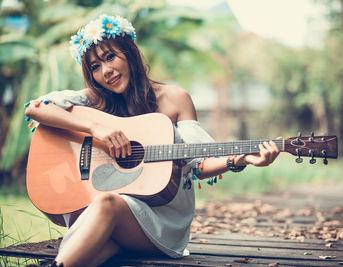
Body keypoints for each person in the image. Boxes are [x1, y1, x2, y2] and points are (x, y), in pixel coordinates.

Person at [24, 14, 280, 267]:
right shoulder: (95, 100)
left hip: (162, 220)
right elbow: (35, 109)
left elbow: (198, 164)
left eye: (110, 57)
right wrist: (95, 128)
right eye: (95, 67)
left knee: (107, 202)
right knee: (102, 246)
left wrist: (241, 158)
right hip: (111, 217)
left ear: (130, 53)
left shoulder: (174, 98)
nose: (106, 71)